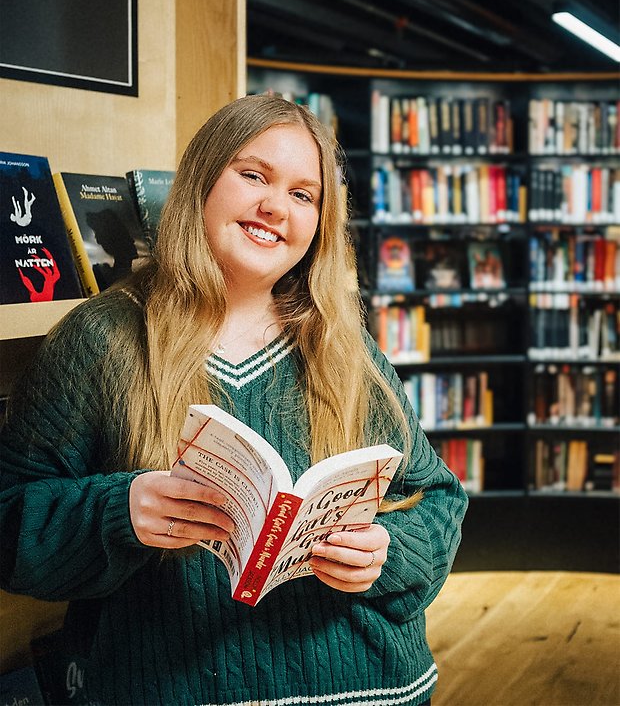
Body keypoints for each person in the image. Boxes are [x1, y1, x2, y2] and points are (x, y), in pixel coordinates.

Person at [0, 95, 468, 706]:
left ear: (321, 223)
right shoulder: (103, 339)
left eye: (305, 195)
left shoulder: (344, 346)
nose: (276, 206)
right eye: (254, 176)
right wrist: (122, 511)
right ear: (201, 182)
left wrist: (386, 553)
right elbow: (10, 520)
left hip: (370, 688)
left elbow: (438, 501)